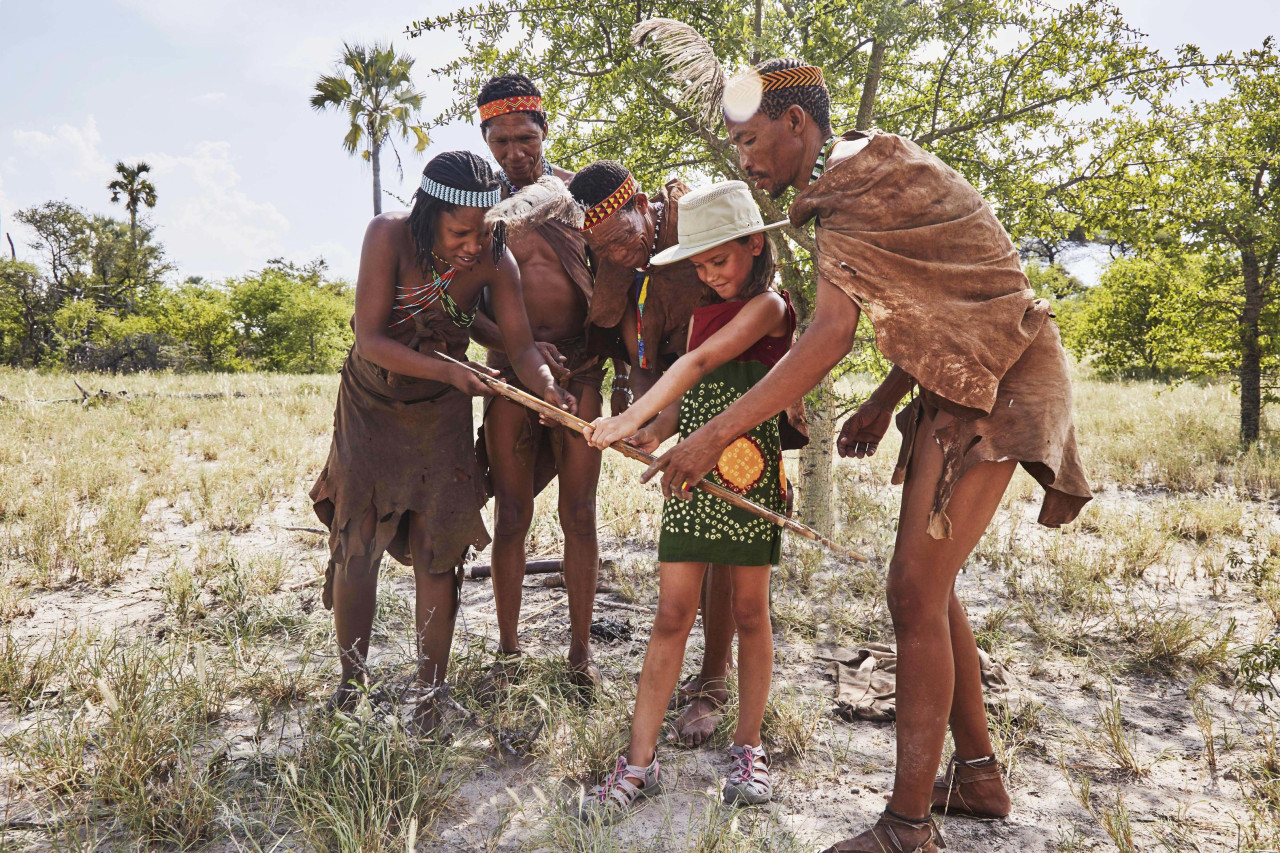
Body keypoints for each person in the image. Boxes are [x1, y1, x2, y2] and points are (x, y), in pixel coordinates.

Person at [644, 58, 1092, 852]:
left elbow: (829, 336)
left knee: (913, 593)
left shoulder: (854, 182)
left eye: (751, 142)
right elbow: (940, 288)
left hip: (1001, 380)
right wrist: (888, 399)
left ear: (795, 125)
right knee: (930, 588)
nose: (745, 161)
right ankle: (980, 776)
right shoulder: (852, 179)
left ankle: (907, 826)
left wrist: (710, 436)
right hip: (963, 379)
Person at [310, 150, 575, 732]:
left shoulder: (496, 260)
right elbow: (371, 340)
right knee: (359, 543)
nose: (475, 245)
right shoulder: (388, 237)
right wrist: (455, 372)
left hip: (441, 418)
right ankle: (352, 682)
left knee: (440, 547)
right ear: (429, 216)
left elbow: (523, 348)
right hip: (371, 409)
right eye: (461, 232)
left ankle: (431, 692)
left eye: (485, 231)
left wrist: (550, 390)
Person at [575, 180, 794, 822]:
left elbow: (698, 366)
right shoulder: (701, 313)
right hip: (691, 483)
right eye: (699, 265)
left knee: (752, 614)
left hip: (748, 475)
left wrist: (631, 412)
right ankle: (638, 762)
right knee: (672, 614)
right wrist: (647, 429)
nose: (710, 275)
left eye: (719, 261)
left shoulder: (770, 309)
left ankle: (748, 749)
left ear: (755, 245)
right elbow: (685, 401)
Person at [568, 161, 738, 745]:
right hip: (673, 406)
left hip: (736, 401)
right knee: (694, 539)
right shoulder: (619, 262)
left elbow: (726, 341)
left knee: (724, 545)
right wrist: (648, 422)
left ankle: (716, 680)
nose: (616, 255)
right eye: (601, 249)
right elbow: (640, 353)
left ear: (642, 203)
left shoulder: (698, 228)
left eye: (621, 238)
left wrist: (682, 420)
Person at [466, 73, 612, 691]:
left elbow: (616, 286)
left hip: (578, 375)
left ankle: (580, 656)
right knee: (513, 514)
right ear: (484, 139)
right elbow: (463, 309)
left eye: (524, 137)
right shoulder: (477, 213)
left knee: (580, 514)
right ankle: (508, 651)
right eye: (500, 142)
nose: (514, 152)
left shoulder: (581, 200)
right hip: (509, 382)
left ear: (544, 130)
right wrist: (514, 349)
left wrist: (601, 365)